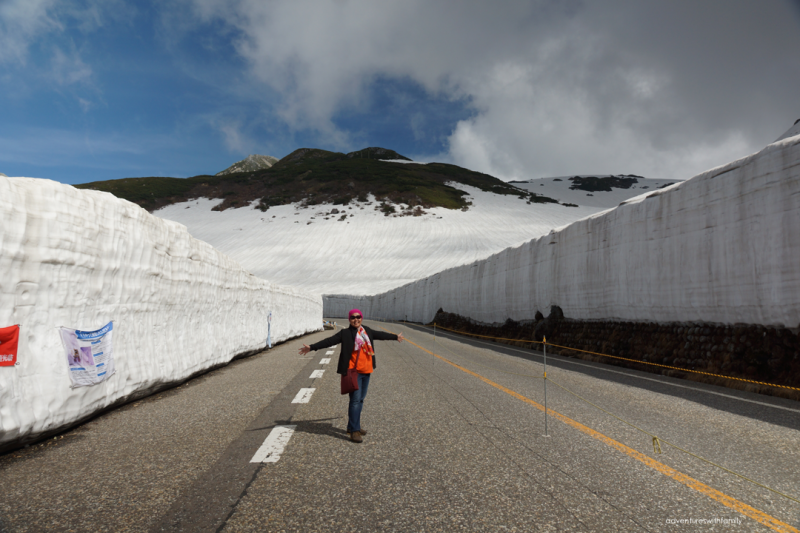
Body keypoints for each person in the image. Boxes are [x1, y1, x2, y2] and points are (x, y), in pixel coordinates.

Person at [299, 309, 404, 443]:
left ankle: (353, 426)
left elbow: (380, 334)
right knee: (355, 400)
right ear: (349, 319)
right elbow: (329, 341)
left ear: (361, 318)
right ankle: (354, 431)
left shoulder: (366, 331)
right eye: (353, 317)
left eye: (358, 317)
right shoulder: (345, 333)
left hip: (366, 371)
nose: (356, 319)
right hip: (353, 372)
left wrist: (395, 337)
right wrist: (312, 347)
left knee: (360, 400)